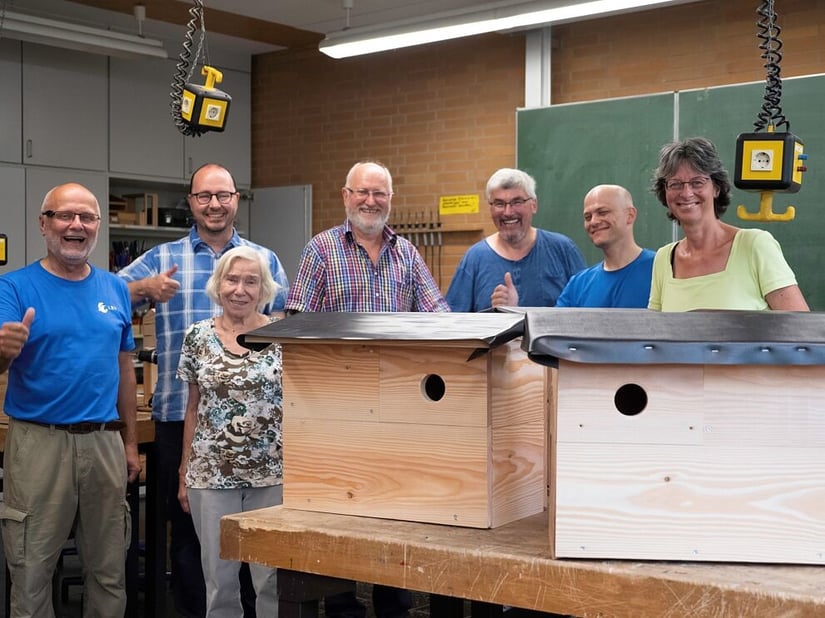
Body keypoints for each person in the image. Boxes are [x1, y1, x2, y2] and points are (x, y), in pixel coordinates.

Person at [117, 163, 290, 617]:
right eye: (204, 196)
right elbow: (104, 294)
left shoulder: (264, 259)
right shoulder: (162, 257)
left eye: (223, 195)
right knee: (192, 546)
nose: (214, 204)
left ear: (236, 199)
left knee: (263, 559)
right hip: (184, 421)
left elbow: (286, 327)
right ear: (191, 202)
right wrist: (144, 287)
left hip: (262, 442)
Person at [286, 160, 448, 618]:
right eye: (362, 192)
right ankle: (342, 608)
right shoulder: (321, 250)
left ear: (390, 200)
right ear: (346, 196)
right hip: (338, 411)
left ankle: (395, 605)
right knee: (341, 512)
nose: (370, 201)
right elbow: (297, 324)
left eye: (379, 194)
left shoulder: (407, 254)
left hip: (397, 411)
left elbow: (438, 315)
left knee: (393, 511)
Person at [0, 183, 140, 617]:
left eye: (87, 217)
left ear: (97, 226)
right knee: (31, 572)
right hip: (39, 444)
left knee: (109, 572)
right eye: (64, 215)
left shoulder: (115, 288)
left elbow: (124, 370)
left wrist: (130, 442)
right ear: (44, 224)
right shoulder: (14, 287)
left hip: (104, 443)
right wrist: (4, 352)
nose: (76, 225)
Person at [177, 246, 283, 617]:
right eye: (232, 279)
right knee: (219, 582)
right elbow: (193, 408)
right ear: (218, 284)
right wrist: (184, 471)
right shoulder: (197, 337)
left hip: (272, 476)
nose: (240, 289)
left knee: (271, 580)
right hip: (210, 476)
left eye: (251, 281)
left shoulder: (284, 336)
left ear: (264, 289)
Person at [648, 136, 809, 312]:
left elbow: (799, 325)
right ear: (665, 191)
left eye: (697, 182)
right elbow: (654, 326)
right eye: (675, 184)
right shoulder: (664, 258)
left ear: (716, 188)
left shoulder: (754, 245)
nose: (686, 193)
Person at [445, 168, 586, 311]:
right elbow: (455, 319)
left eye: (517, 202)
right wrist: (494, 315)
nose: (508, 212)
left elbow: (586, 311)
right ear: (490, 209)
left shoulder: (562, 250)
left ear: (534, 205)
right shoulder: (475, 259)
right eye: (499, 204)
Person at [554, 184, 655, 308]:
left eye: (602, 212)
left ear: (630, 216)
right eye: (588, 217)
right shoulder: (578, 285)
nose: (593, 222)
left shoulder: (661, 270)